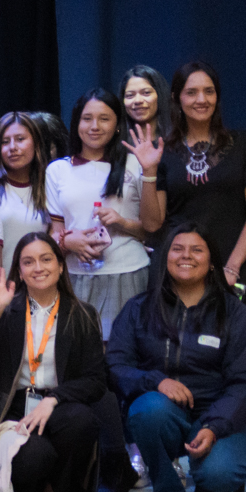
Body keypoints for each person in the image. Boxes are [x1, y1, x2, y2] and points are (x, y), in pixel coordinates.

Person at [109, 223, 246, 492]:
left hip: (218, 415)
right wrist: (157, 381)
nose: (186, 256)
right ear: (164, 257)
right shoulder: (139, 308)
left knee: (219, 479)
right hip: (163, 411)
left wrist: (214, 427)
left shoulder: (234, 313)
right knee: (147, 410)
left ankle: (212, 488)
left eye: (196, 250)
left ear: (212, 261)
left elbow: (243, 383)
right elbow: (116, 366)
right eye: (177, 249)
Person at [0, 235, 108, 492]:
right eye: (28, 262)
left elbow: (96, 381)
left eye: (46, 259)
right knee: (35, 457)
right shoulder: (7, 309)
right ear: (20, 272)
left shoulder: (83, 314)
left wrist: (54, 399)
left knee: (82, 421)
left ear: (61, 266)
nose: (38, 268)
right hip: (12, 409)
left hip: (60, 407)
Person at [154, 63, 246, 308]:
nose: (202, 99)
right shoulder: (163, 151)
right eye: (191, 92)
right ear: (176, 98)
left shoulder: (245, 144)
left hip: (231, 268)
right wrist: (147, 171)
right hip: (179, 270)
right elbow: (155, 221)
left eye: (209, 91)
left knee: (232, 332)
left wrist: (232, 267)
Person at [46, 90, 158, 333]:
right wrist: (67, 241)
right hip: (74, 274)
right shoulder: (57, 170)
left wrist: (121, 222)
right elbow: (54, 233)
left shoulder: (136, 162)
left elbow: (152, 229)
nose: (94, 126)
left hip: (127, 271)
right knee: (79, 347)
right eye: (87, 119)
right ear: (76, 123)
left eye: (104, 119)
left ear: (118, 125)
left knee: (123, 347)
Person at [0, 111, 53, 263]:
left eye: (20, 139)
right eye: (4, 142)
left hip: (36, 275)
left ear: (36, 143)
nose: (12, 147)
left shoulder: (48, 182)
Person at [119, 64, 174, 146]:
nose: (138, 101)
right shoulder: (116, 143)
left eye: (146, 93)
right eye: (130, 95)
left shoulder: (178, 141)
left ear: (160, 95)